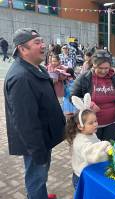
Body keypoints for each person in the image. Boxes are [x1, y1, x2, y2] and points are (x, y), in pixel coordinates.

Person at [4, 28, 65, 199]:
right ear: (22, 49)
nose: (43, 45)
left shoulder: (36, 68)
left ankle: (41, 195)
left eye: (42, 41)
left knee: (41, 175)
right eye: (37, 43)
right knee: (36, 178)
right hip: (35, 143)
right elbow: (25, 122)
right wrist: (38, 151)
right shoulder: (21, 77)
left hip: (43, 137)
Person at [71, 50, 115, 142]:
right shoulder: (84, 78)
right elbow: (73, 96)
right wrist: (90, 104)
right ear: (93, 64)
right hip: (90, 126)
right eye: (100, 68)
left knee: (109, 150)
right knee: (94, 153)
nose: (103, 71)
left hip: (112, 123)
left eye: (106, 68)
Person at [65, 94, 111, 189]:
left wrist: (102, 146)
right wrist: (107, 147)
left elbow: (97, 144)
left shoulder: (90, 133)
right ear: (80, 126)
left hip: (88, 171)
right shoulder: (80, 141)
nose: (95, 124)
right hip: (81, 177)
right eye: (91, 123)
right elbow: (93, 156)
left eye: (95, 121)